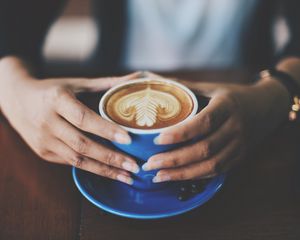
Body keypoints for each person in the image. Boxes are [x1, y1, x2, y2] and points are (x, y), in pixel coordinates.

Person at [0, 0, 299, 185]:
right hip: (112, 84)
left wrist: (282, 91)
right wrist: (10, 85)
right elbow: (14, 22)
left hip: (245, 102)